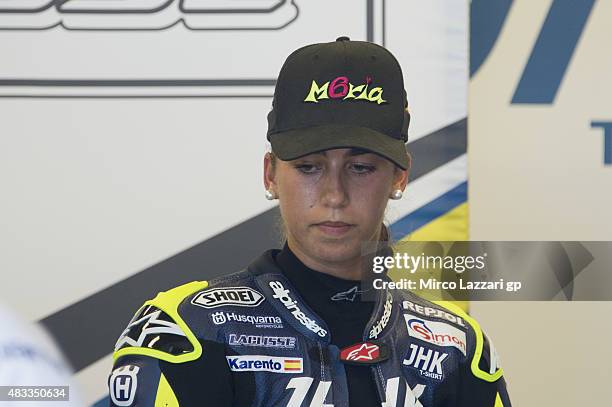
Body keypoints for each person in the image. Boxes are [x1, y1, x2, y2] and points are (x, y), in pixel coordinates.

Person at [107, 37, 511, 406]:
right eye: (309, 167)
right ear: (271, 175)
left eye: (361, 167)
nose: (334, 195)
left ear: (399, 176)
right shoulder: (188, 331)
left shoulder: (457, 349)